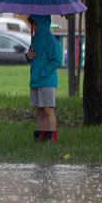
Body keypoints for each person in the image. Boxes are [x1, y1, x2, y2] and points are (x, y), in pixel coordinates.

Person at [25, 14, 62, 142]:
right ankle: (41, 136)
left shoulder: (50, 39)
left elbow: (57, 60)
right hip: (35, 80)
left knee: (47, 110)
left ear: (42, 23)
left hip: (46, 80)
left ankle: (51, 137)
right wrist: (28, 56)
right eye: (33, 24)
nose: (34, 27)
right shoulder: (35, 39)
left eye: (35, 24)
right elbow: (34, 58)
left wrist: (43, 72)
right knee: (39, 110)